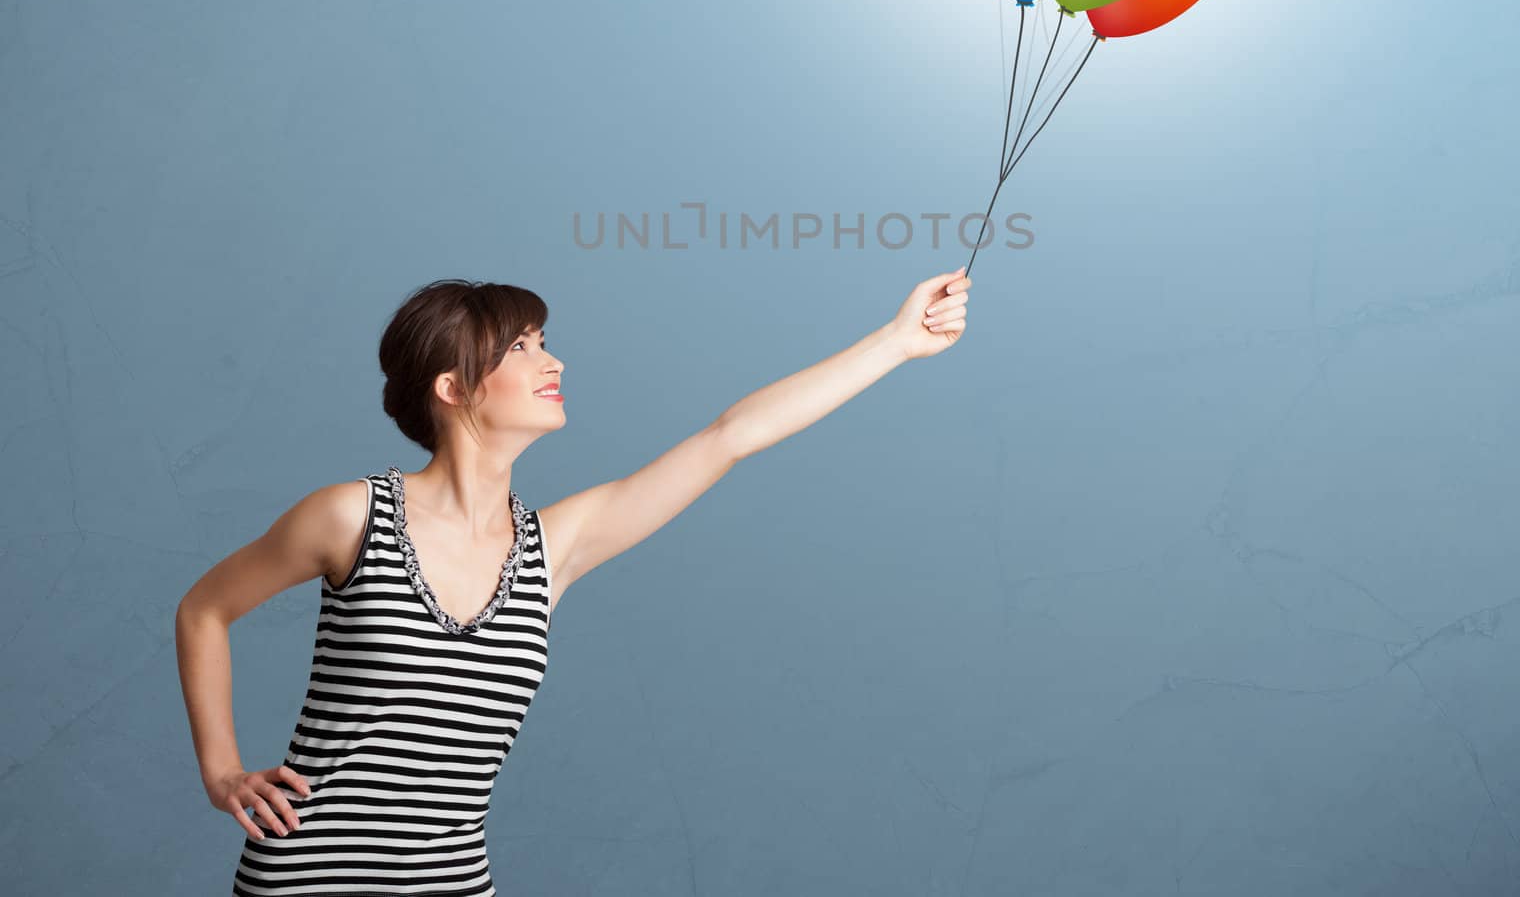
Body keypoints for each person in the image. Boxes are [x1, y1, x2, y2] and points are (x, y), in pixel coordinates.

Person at [176, 266, 972, 895]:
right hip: (308, 882)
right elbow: (204, 609)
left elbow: (731, 435)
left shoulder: (554, 546)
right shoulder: (350, 517)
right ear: (452, 388)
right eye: (520, 347)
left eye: (543, 340)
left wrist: (896, 342)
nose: (552, 360)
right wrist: (222, 770)